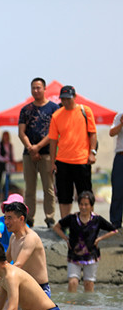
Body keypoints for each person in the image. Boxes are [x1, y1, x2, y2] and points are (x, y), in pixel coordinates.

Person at [0, 201, 52, 300]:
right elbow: (4, 263)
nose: (6, 222)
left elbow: (17, 265)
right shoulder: (13, 237)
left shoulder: (30, 238)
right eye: (5, 218)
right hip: (23, 288)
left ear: (21, 218)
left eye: (9, 218)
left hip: (40, 289)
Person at [53, 191, 118, 293]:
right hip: (74, 255)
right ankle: (71, 305)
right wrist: (66, 239)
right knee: (73, 282)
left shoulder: (97, 219)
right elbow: (56, 227)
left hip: (91, 255)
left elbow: (114, 230)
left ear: (91, 206)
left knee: (89, 284)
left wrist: (99, 239)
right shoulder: (72, 218)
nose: (83, 207)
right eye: (81, 204)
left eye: (86, 204)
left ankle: (88, 306)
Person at [49, 85, 97, 219]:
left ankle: (88, 221)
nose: (66, 101)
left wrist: (92, 152)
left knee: (85, 193)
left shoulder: (85, 111)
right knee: (64, 195)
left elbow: (93, 133)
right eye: (63, 99)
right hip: (63, 161)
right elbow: (53, 141)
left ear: (75, 97)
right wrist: (52, 162)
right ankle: (65, 222)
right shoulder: (56, 115)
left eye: (68, 98)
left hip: (82, 160)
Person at [18, 77, 59, 227]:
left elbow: (54, 133)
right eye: (33, 88)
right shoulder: (26, 109)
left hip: (47, 152)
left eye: (38, 88)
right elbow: (21, 132)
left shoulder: (54, 108)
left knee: (48, 188)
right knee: (30, 188)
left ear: (44, 89)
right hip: (28, 154)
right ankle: (29, 217)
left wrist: (38, 147)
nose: (36, 90)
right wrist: (31, 148)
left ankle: (50, 217)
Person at [109, 110, 123, 229]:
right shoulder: (119, 116)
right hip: (121, 156)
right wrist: (121, 123)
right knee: (118, 189)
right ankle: (115, 223)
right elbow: (112, 132)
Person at [0, 131, 14, 202]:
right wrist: (4, 160)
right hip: (1, 165)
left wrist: (12, 162)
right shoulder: (0, 145)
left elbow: (11, 155)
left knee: (8, 181)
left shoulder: (10, 145)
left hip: (8, 165)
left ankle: (7, 197)